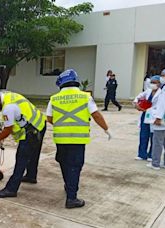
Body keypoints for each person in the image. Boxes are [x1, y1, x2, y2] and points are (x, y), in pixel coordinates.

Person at [47, 69, 110, 209]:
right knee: (75, 167)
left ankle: (68, 185)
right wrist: (106, 128)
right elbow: (96, 115)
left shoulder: (54, 98)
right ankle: (71, 198)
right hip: (77, 139)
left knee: (64, 163)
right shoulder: (85, 97)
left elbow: (49, 118)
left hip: (61, 139)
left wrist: (63, 125)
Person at [0, 91, 47, 198]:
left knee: (21, 158)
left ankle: (11, 189)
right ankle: (31, 175)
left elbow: (8, 130)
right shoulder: (8, 96)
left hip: (31, 131)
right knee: (33, 153)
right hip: (39, 123)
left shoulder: (7, 108)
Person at [133, 75, 161, 161]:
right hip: (145, 116)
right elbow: (138, 97)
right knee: (143, 135)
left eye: (154, 83)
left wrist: (148, 110)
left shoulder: (162, 93)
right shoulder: (148, 91)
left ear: (159, 84)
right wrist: (136, 104)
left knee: (153, 136)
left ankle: (151, 155)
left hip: (154, 116)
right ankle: (142, 154)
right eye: (151, 82)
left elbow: (161, 106)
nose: (152, 84)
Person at [148, 69, 165, 170]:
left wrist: (158, 117)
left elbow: (162, 104)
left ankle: (155, 163)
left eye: (162, 75)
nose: (161, 78)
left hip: (162, 120)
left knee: (158, 143)